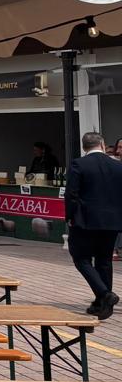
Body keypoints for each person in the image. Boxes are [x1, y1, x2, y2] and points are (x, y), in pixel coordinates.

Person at [66, 131, 122, 319]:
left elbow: (71, 194)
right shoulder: (117, 166)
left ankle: (105, 294)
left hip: (85, 220)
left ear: (84, 147)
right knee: (104, 260)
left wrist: (70, 216)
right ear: (103, 145)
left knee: (81, 258)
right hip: (112, 221)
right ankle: (103, 305)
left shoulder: (78, 164)